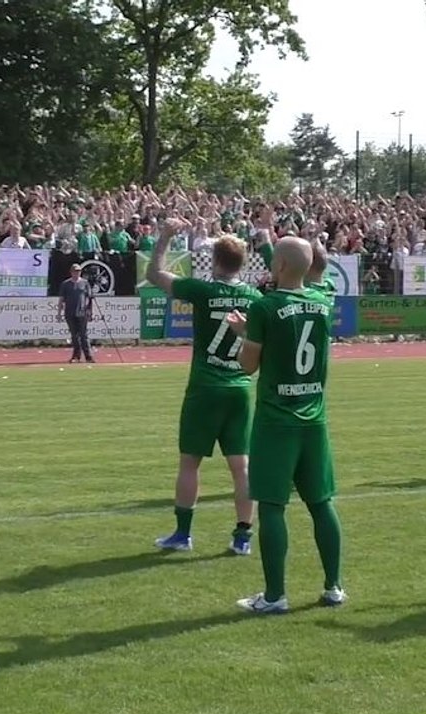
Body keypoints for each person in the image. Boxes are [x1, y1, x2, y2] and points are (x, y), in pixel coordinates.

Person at [226, 236, 345, 613]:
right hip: (314, 418)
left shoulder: (264, 307)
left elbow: (249, 366)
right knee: (321, 504)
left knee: (273, 506)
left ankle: (275, 596)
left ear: (278, 267)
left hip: (277, 419)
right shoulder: (323, 303)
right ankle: (333, 587)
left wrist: (243, 334)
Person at [145, 219, 260, 556]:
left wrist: (165, 237)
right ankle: (242, 538)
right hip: (239, 386)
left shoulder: (204, 291)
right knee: (242, 468)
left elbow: (155, 274)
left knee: (190, 463)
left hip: (205, 386)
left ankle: (183, 534)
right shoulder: (254, 296)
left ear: (215, 262)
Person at [58, 263, 96, 364]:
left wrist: (90, 311)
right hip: (70, 312)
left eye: (78, 271)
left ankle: (88, 356)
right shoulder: (65, 284)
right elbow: (61, 299)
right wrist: (59, 312)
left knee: (84, 335)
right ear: (71, 272)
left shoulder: (85, 283)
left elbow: (90, 298)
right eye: (75, 271)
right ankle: (76, 356)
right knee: (74, 336)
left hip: (82, 312)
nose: (77, 273)